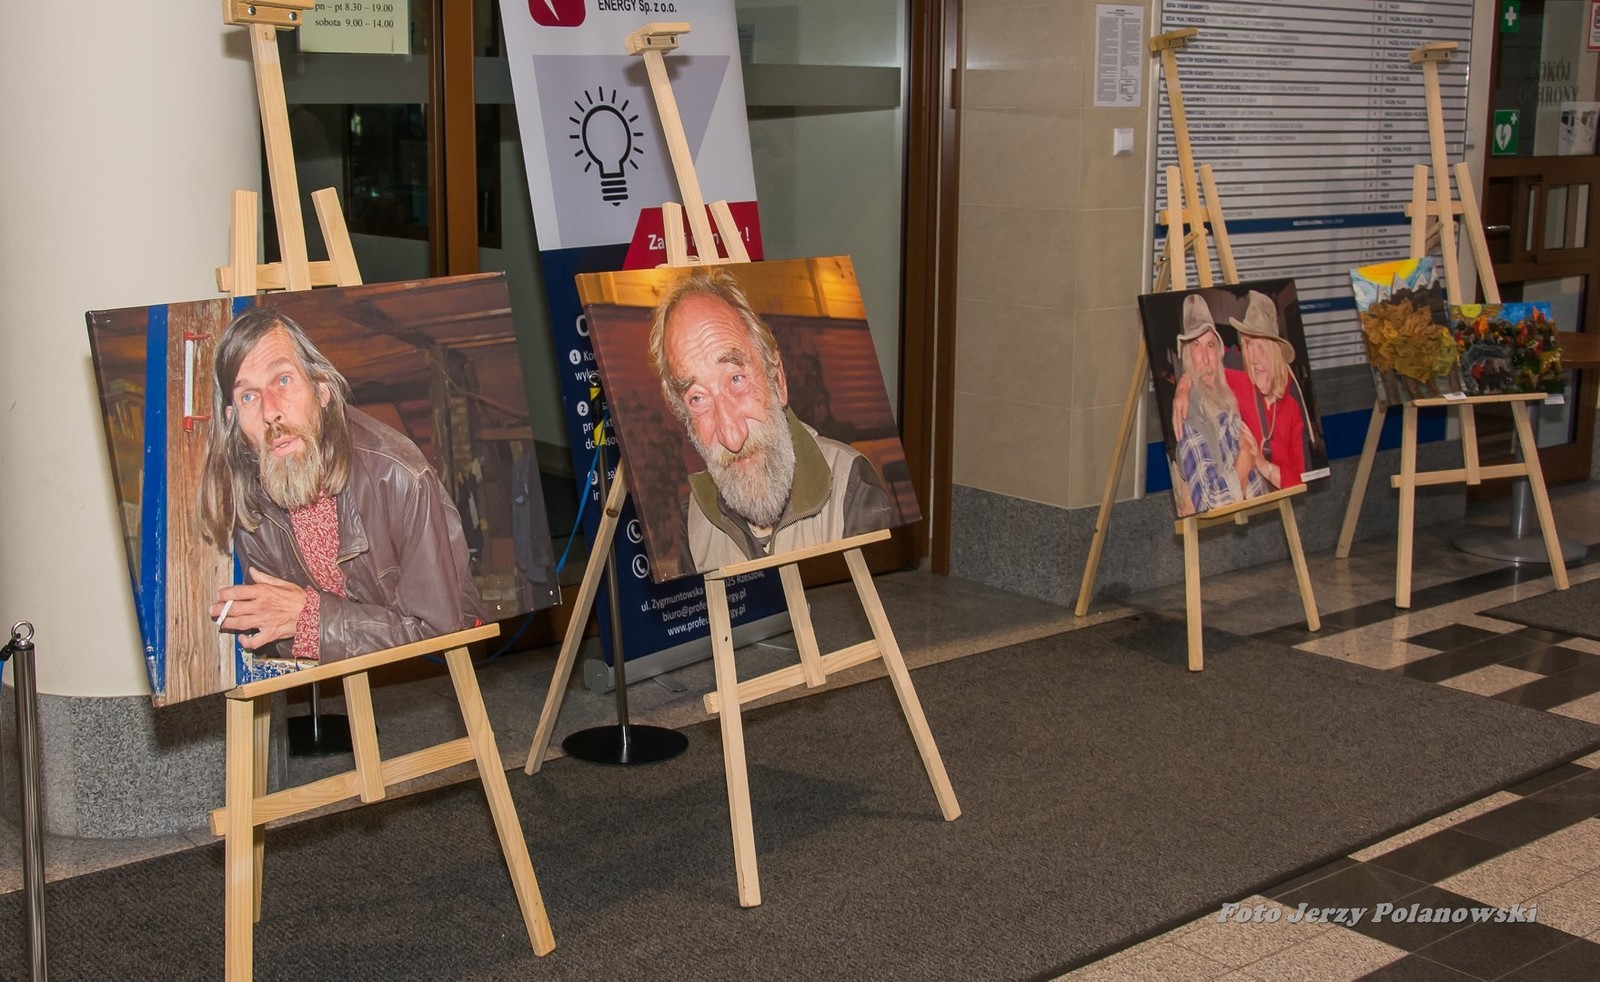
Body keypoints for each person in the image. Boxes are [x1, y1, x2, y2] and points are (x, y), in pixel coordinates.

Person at [197, 307, 485, 662]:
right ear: (234, 421)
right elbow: (275, 632)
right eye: (248, 397)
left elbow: (441, 634)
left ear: (321, 390)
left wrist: (312, 620)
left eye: (283, 380)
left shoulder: (399, 476)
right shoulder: (251, 503)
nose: (270, 411)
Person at [647, 267, 894, 571]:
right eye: (697, 398)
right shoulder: (692, 519)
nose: (732, 437)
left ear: (777, 379)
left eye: (736, 379)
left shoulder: (852, 489)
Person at [1170, 294, 1268, 516]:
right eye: (1196, 346)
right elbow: (1210, 504)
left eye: (1210, 345)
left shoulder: (1229, 385)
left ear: (1219, 352)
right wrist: (1246, 457)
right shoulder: (1189, 415)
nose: (1206, 359)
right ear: (1187, 356)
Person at [1228, 291, 1308, 491]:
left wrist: (1262, 465)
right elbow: (1204, 368)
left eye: (1261, 347)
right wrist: (1183, 389)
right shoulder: (1241, 382)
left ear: (1275, 353)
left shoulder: (1292, 407)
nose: (1254, 359)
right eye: (1249, 346)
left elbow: (1301, 480)